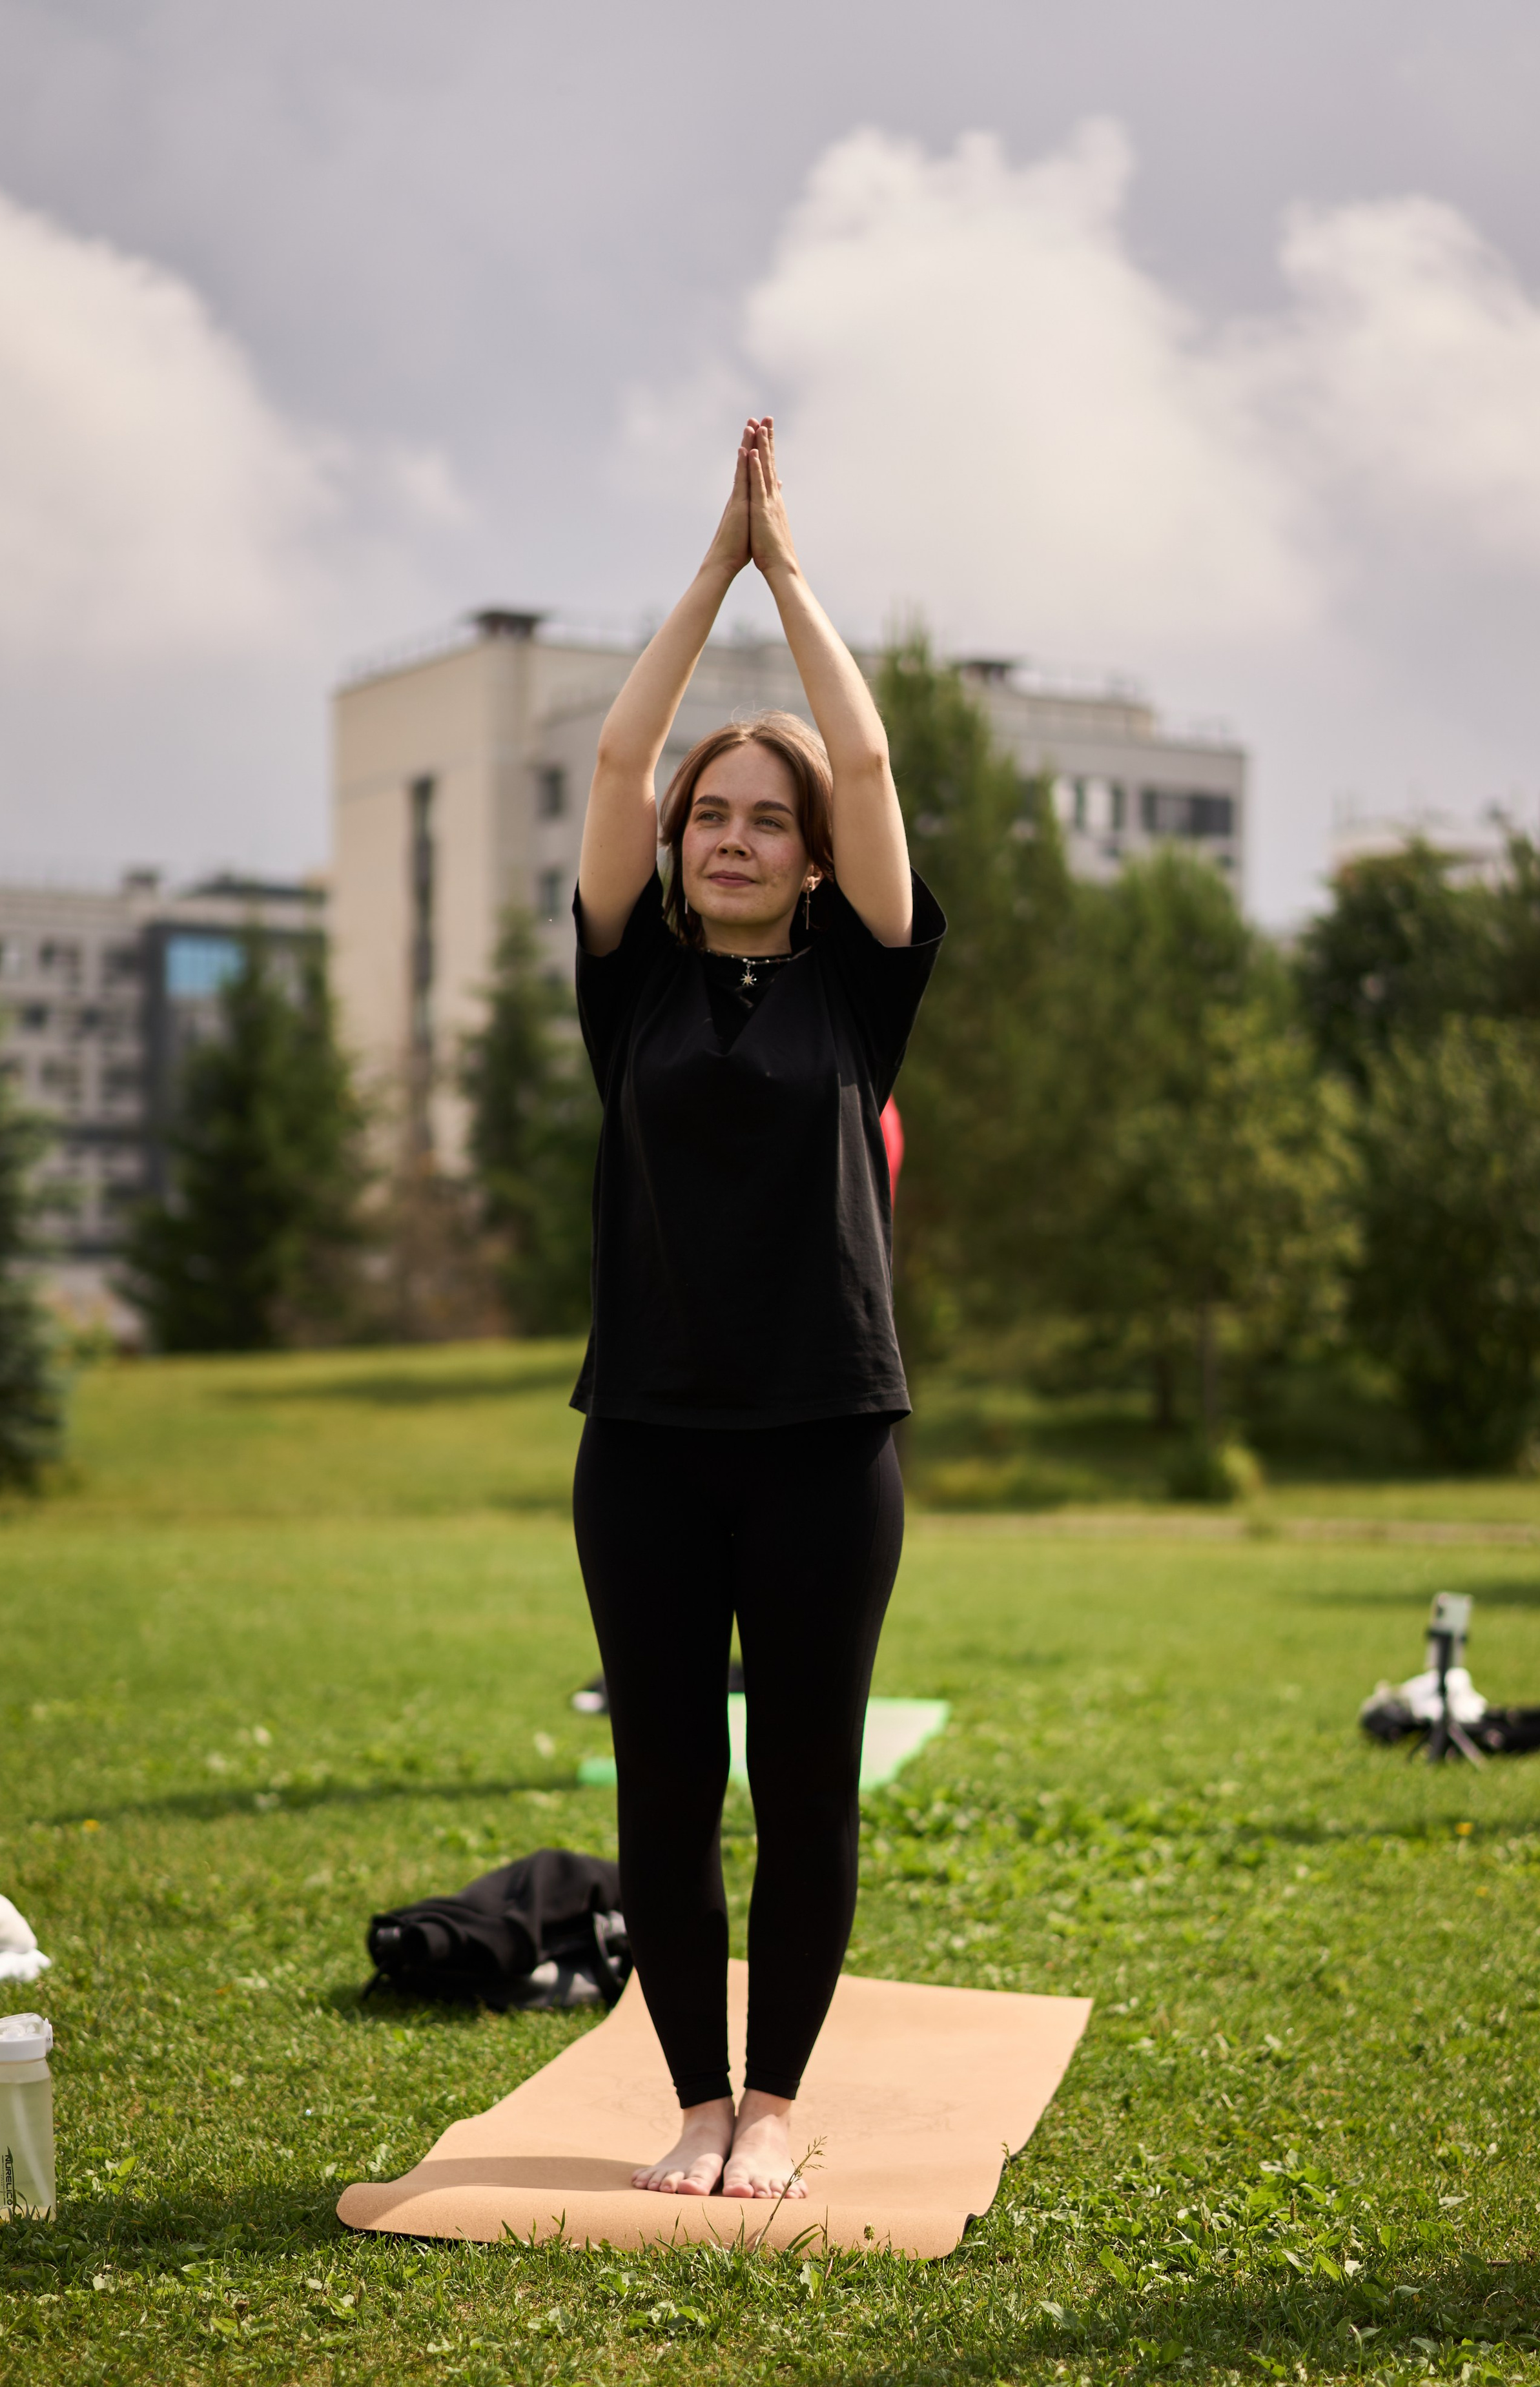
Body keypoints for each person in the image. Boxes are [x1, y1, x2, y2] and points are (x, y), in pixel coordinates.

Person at [570, 418, 944, 2200]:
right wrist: (702, 570)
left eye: (760, 821)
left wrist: (784, 571)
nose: (727, 835)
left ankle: (777, 2099)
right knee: (663, 1789)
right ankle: (695, 2095)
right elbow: (621, 749)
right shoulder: (624, 987)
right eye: (707, 817)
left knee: (804, 1784)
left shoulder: (861, 998)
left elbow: (865, 760)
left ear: (807, 861)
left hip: (826, 1440)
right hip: (644, 1439)